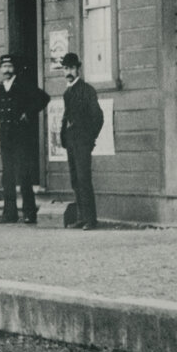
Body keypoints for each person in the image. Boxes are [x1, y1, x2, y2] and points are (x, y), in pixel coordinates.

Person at [0, 54, 50, 224]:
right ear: (0, 69)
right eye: (4, 66)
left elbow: (44, 98)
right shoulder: (0, 88)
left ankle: (29, 213)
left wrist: (27, 113)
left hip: (21, 136)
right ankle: (10, 213)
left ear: (14, 68)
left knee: (24, 174)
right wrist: (1, 116)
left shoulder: (23, 85)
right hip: (6, 136)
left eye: (9, 66)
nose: (6, 69)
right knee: (7, 175)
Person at [59, 52, 105, 230]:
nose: (68, 72)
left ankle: (91, 219)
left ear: (78, 69)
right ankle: (81, 217)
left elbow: (98, 118)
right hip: (71, 143)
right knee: (75, 180)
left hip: (82, 143)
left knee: (84, 179)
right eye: (65, 68)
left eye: (71, 68)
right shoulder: (67, 93)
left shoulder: (87, 90)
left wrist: (89, 139)